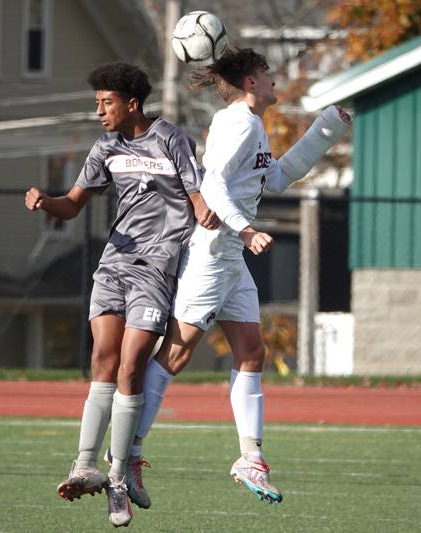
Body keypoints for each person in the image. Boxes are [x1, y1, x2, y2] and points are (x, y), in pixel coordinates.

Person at [119, 48, 353, 508]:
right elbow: (213, 186)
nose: (272, 81)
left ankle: (250, 457)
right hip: (213, 254)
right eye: (266, 74)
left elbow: (279, 177)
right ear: (250, 82)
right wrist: (246, 231)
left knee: (251, 351)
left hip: (230, 257)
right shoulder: (238, 123)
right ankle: (126, 453)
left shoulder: (252, 124)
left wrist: (324, 131)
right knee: (178, 353)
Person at [24, 62, 217, 528]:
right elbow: (73, 204)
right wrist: (47, 202)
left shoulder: (171, 138)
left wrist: (218, 219)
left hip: (156, 267)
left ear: (132, 103)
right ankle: (84, 464)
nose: (99, 112)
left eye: (106, 103)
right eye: (96, 103)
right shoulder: (106, 145)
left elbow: (197, 197)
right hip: (114, 265)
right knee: (102, 362)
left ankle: (117, 477)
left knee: (131, 366)